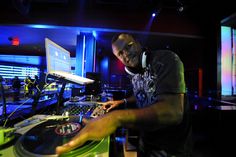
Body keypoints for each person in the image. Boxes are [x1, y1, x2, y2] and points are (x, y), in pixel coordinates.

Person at [56, 33, 192, 157]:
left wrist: (115, 118)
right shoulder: (134, 73)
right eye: (120, 53)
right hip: (146, 143)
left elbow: (173, 111)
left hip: (172, 149)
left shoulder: (166, 59)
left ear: (138, 43)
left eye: (129, 46)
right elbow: (143, 95)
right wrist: (122, 102)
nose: (126, 54)